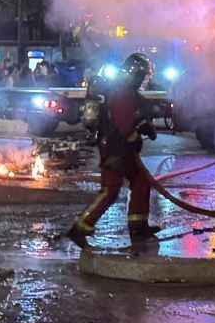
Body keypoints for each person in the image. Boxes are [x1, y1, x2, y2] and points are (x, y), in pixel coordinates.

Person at [66, 53, 161, 247]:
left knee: (141, 181)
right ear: (135, 74)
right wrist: (135, 139)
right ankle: (80, 227)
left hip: (120, 147)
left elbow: (133, 114)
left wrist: (144, 124)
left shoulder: (126, 90)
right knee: (110, 190)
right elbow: (124, 123)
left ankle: (138, 225)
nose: (143, 80)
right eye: (142, 75)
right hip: (116, 148)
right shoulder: (123, 91)